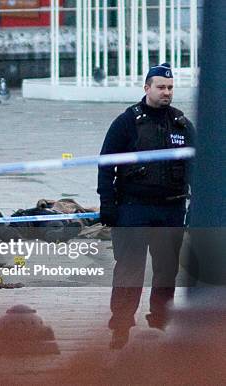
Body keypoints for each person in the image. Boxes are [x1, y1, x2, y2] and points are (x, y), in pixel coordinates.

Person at [97, 63, 194, 349]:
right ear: (147, 88)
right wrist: (108, 203)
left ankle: (160, 323)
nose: (166, 92)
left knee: (166, 271)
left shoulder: (182, 124)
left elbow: (199, 169)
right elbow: (106, 165)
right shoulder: (127, 122)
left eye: (170, 88)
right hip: (133, 207)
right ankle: (121, 326)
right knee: (129, 270)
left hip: (171, 208)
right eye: (161, 87)